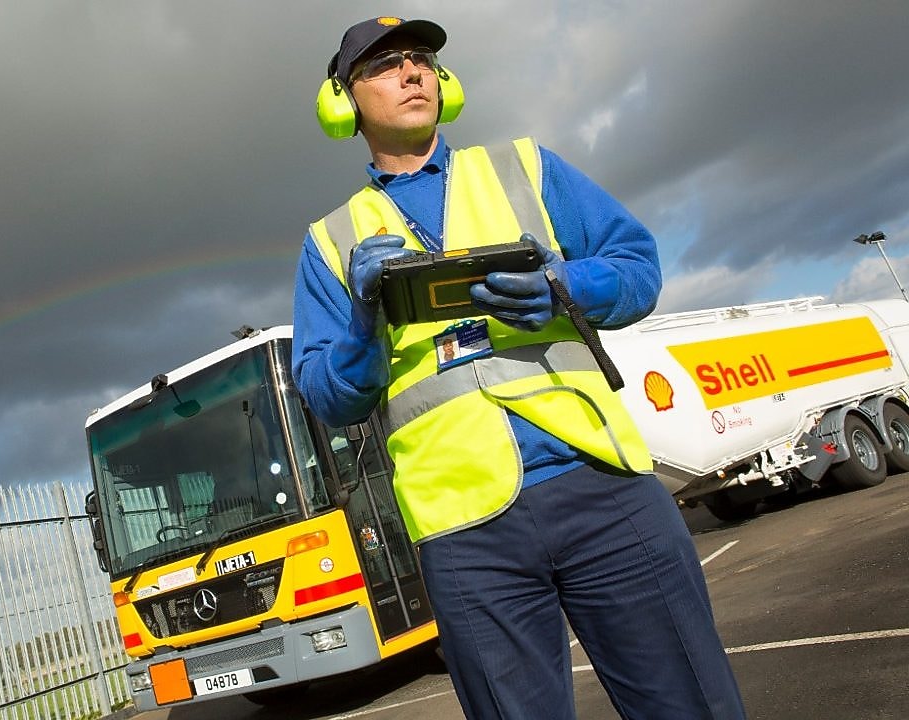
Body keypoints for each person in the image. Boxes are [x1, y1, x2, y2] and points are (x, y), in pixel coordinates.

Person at [291, 16, 746, 720]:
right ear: (343, 102)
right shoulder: (330, 243)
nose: (412, 71)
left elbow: (637, 268)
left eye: (422, 59)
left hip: (602, 486)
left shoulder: (525, 167)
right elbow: (329, 394)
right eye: (384, 65)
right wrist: (363, 323)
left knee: (691, 705)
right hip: (465, 530)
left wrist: (566, 284)